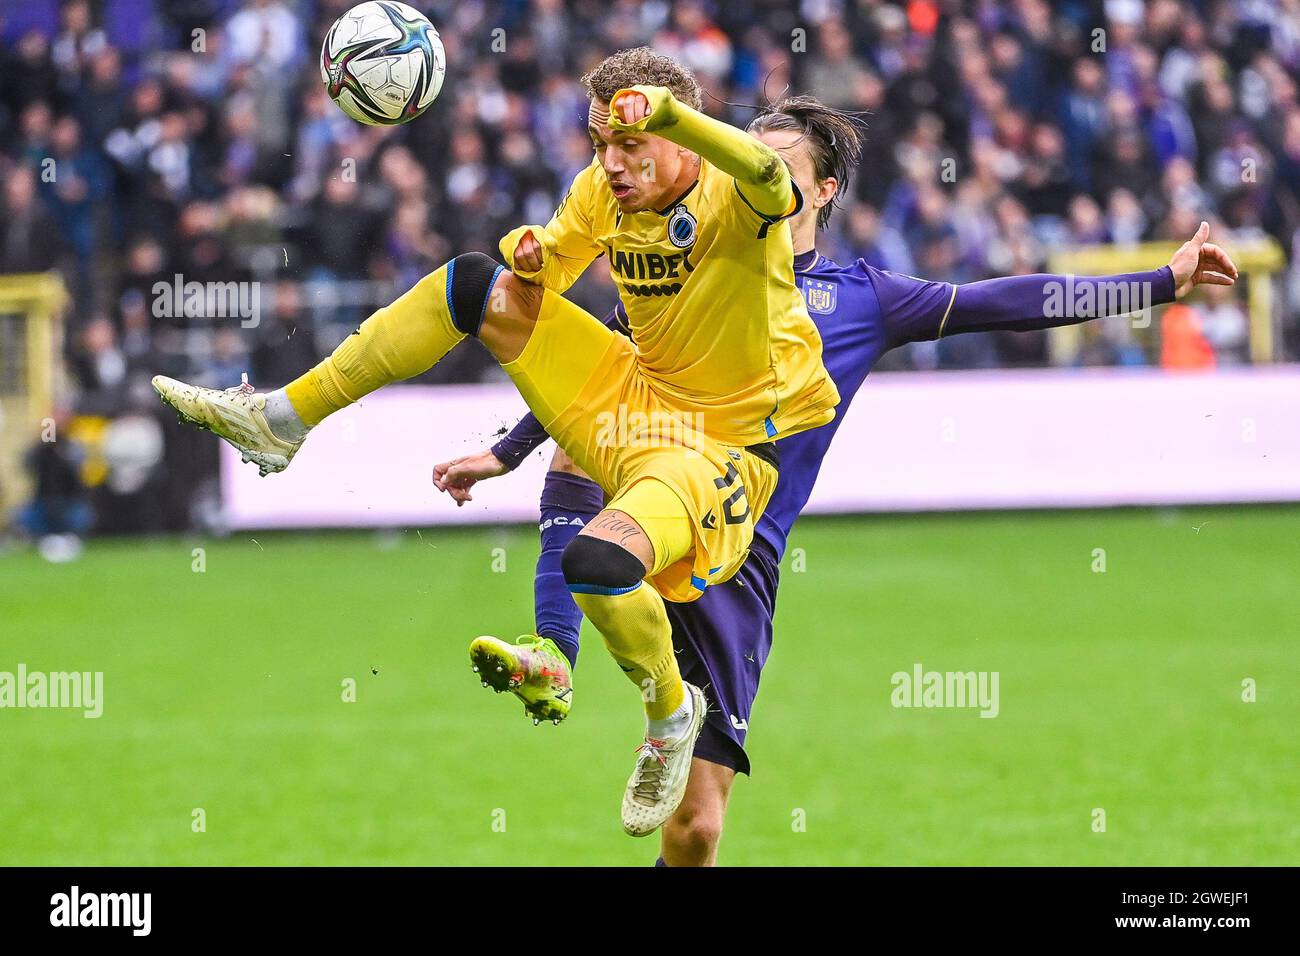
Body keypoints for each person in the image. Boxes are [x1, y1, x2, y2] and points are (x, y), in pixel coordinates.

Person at [433, 96, 1240, 865]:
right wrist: (508, 451)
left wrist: (1160, 283)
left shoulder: (864, 299)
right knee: (595, 443)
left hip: (741, 560)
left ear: (820, 190)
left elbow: (1008, 301)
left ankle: (645, 709)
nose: (755, 172)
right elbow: (601, 365)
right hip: (658, 494)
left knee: (695, 832)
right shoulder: (688, 269)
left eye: (778, 164)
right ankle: (555, 655)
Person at [150, 48, 840, 838]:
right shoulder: (599, 194)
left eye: (629, 144)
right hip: (632, 396)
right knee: (476, 283)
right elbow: (546, 268)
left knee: (600, 564)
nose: (610, 164)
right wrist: (531, 258)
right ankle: (280, 421)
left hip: (718, 448)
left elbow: (769, 177)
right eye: (598, 145)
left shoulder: (736, 193)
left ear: (676, 132)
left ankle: (670, 714)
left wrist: (674, 115)